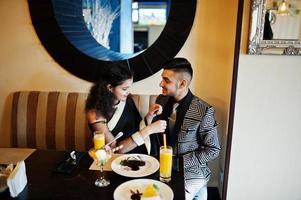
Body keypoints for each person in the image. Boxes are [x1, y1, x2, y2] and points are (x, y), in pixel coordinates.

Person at [146, 58, 221, 200]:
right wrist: (149, 117)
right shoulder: (160, 100)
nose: (161, 84)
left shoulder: (204, 110)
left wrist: (179, 162)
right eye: (162, 79)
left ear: (182, 83)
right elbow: (153, 135)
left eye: (166, 80)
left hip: (191, 172)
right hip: (160, 167)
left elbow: (213, 150)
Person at [85, 63, 167, 154]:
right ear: (110, 87)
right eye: (124, 89)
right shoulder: (94, 112)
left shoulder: (127, 100)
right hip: (112, 159)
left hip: (136, 153)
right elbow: (115, 148)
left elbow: (138, 127)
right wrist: (149, 130)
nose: (128, 92)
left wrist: (150, 115)